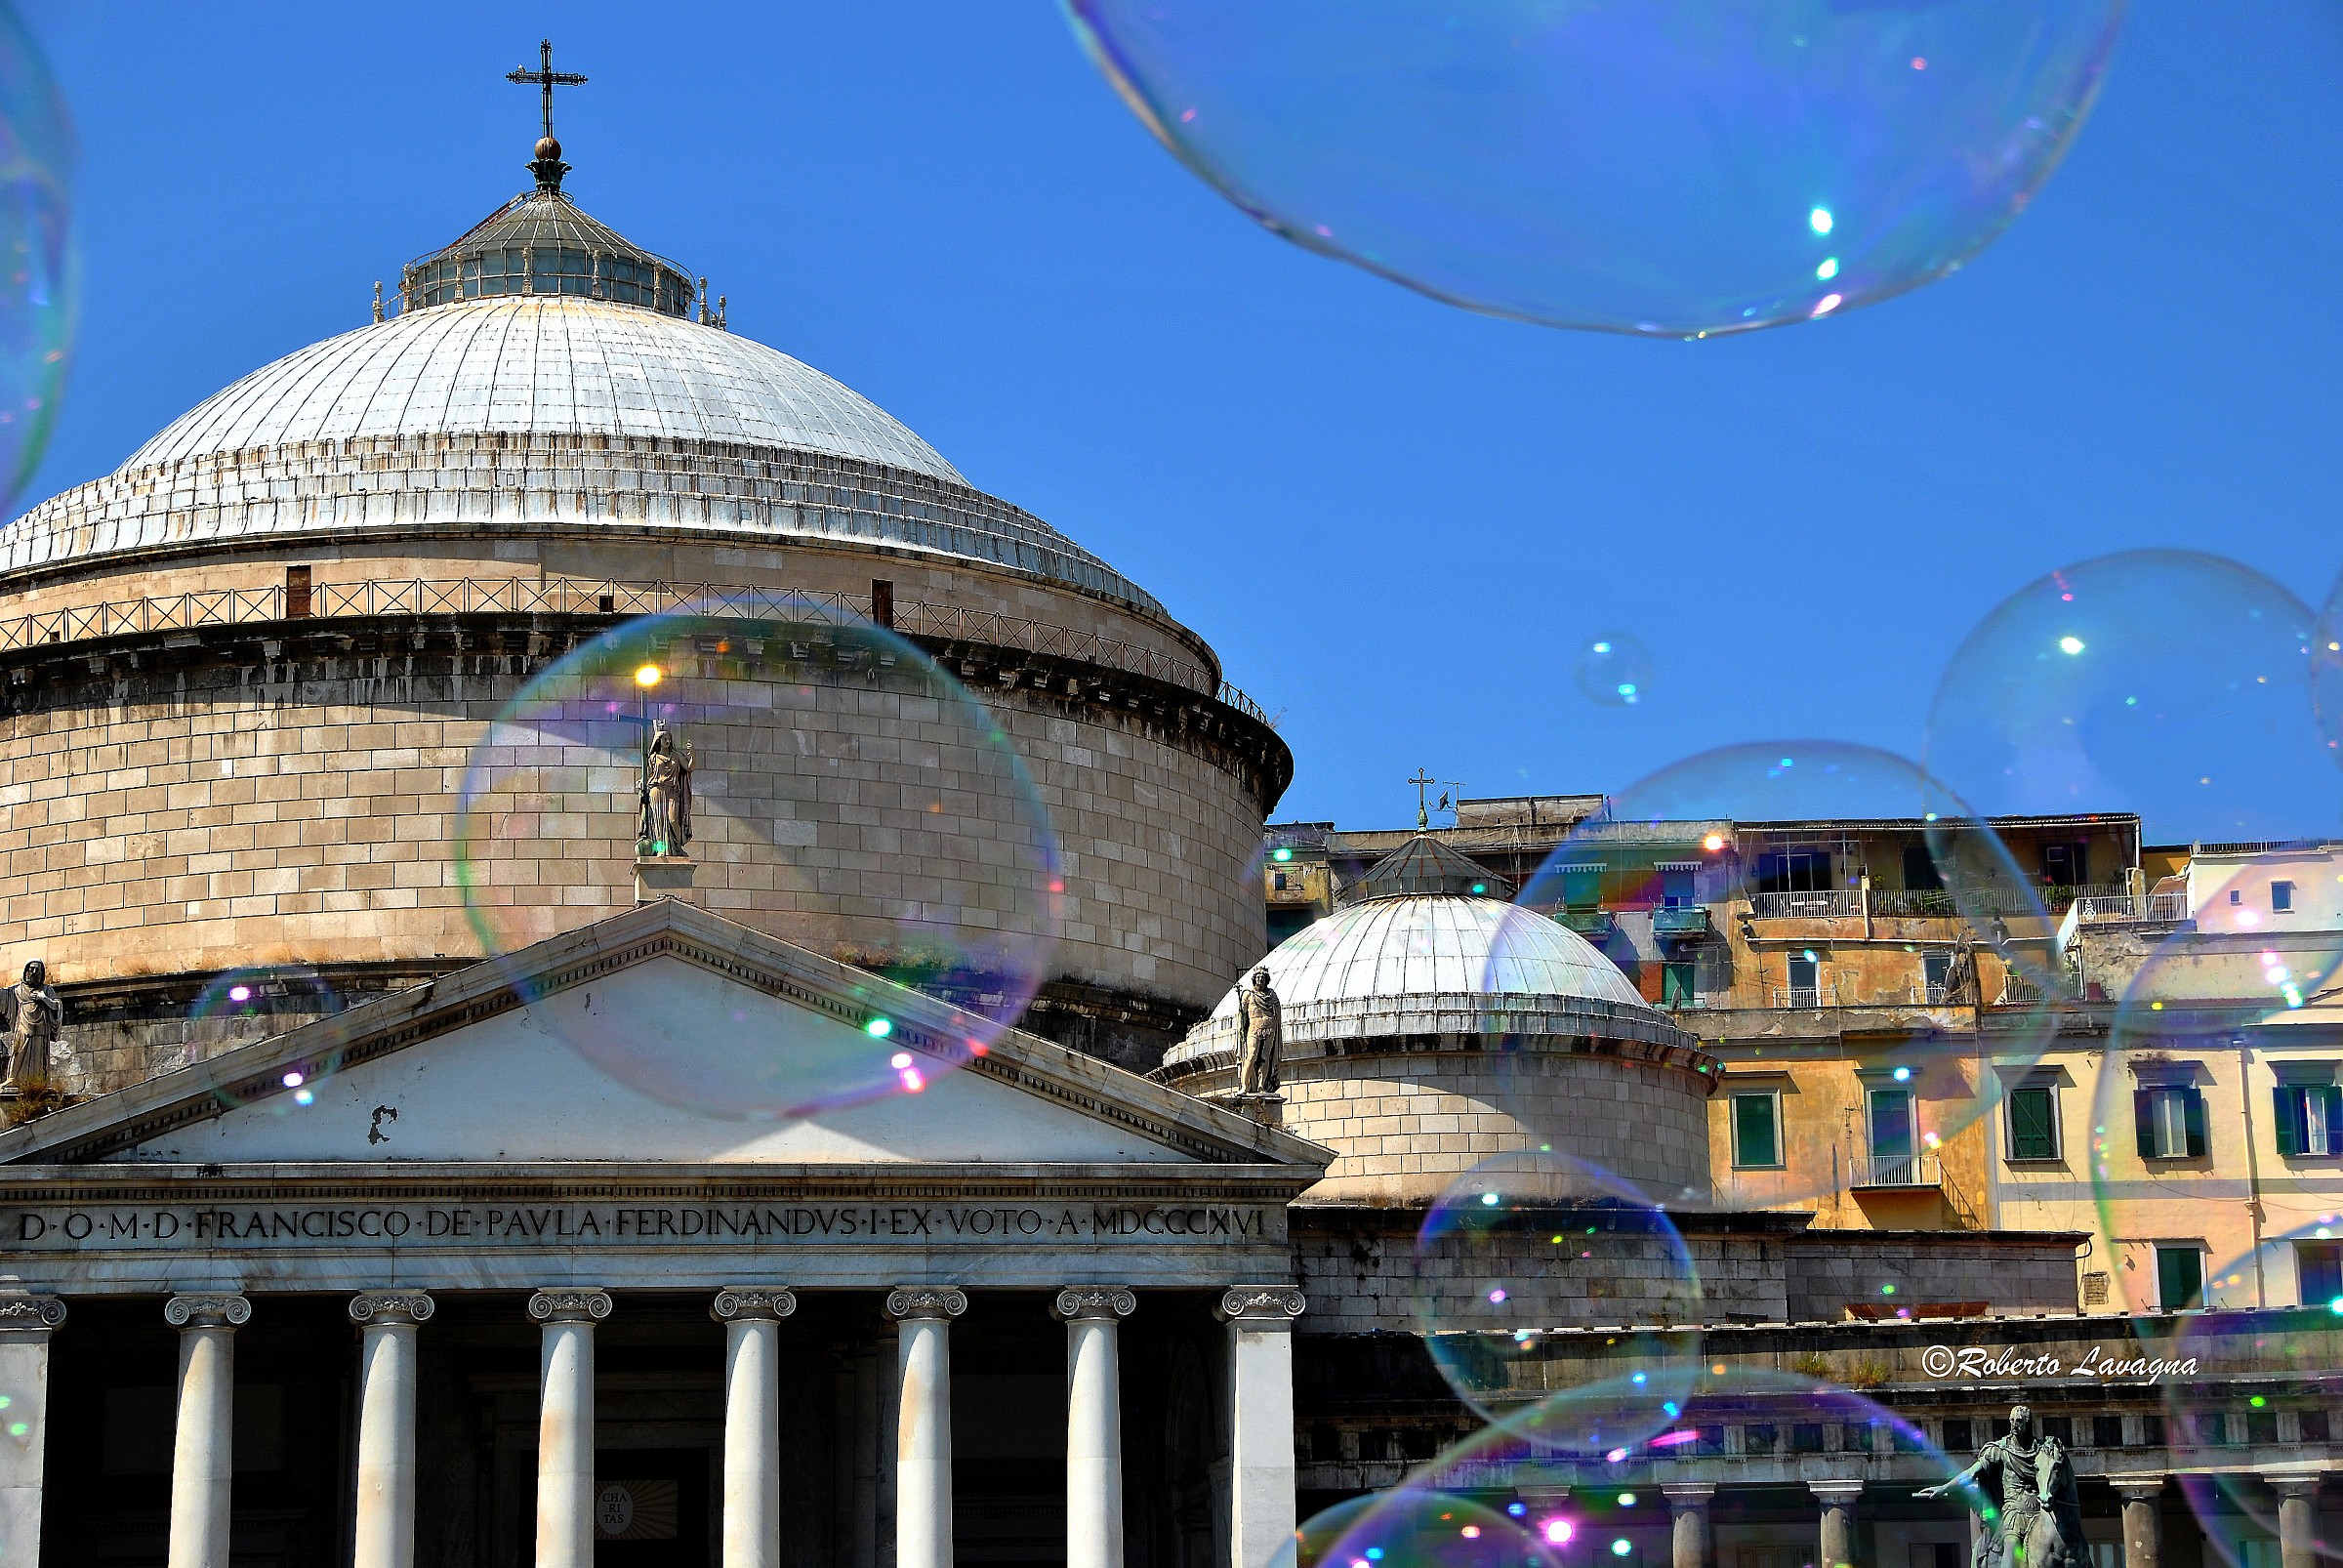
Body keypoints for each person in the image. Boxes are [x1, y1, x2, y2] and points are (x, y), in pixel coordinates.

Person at [1915, 1404, 2082, 1568]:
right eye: (2012, 1421)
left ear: (2028, 1423)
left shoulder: (2040, 1450)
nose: (2015, 1426)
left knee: (2071, 1540)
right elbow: (1971, 1473)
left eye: (2020, 1421)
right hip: (2015, 1510)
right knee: (2011, 1543)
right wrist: (1944, 1488)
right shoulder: (2000, 1450)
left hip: (2042, 1508)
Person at [0, 960, 63, 1095]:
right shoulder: (17, 990)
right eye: (31, 969)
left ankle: (39, 1081)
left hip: (42, 1026)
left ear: (41, 973)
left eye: (37, 970)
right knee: (19, 1050)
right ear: (25, 971)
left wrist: (44, 998)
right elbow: (3, 997)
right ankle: (13, 1078)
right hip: (23, 1024)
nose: (33, 973)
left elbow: (56, 1006)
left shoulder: (47, 990)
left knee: (39, 1054)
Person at [639, 723, 694, 855]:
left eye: (669, 738)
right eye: (664, 739)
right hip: (656, 791)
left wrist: (693, 754)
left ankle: (678, 847)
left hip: (672, 791)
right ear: (659, 740)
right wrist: (642, 783)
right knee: (658, 823)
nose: (667, 741)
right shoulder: (653, 757)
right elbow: (647, 776)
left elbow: (689, 767)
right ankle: (660, 851)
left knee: (673, 819)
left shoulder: (676, 755)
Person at [1235, 968, 1283, 1095]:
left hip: (1269, 1028)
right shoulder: (1248, 994)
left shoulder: (1271, 995)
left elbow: (1277, 1013)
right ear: (1254, 979)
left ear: (1266, 980)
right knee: (1251, 1056)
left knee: (1265, 1058)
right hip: (1254, 1028)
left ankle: (1262, 1086)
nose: (1260, 980)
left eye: (1262, 978)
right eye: (1258, 977)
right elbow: (1242, 1014)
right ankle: (1245, 1086)